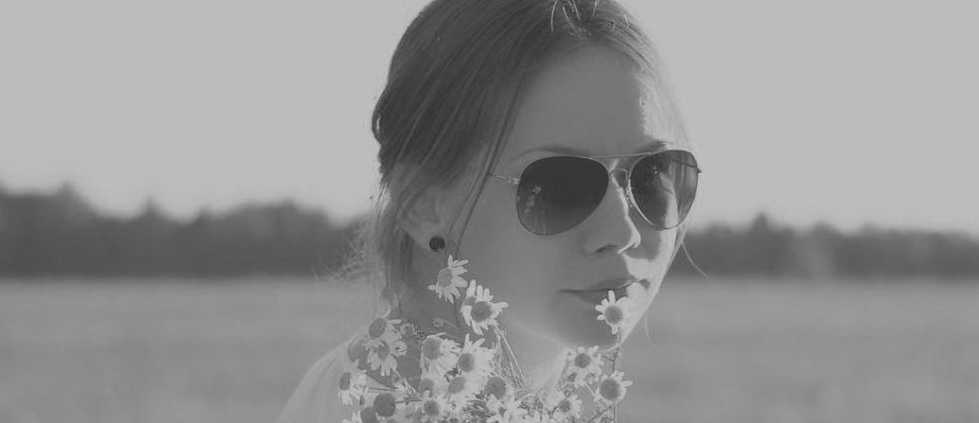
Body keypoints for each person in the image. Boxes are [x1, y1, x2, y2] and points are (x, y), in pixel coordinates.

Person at [275, 0, 700, 421]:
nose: (622, 231)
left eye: (653, 175)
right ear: (423, 203)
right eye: (561, 186)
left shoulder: (353, 386)